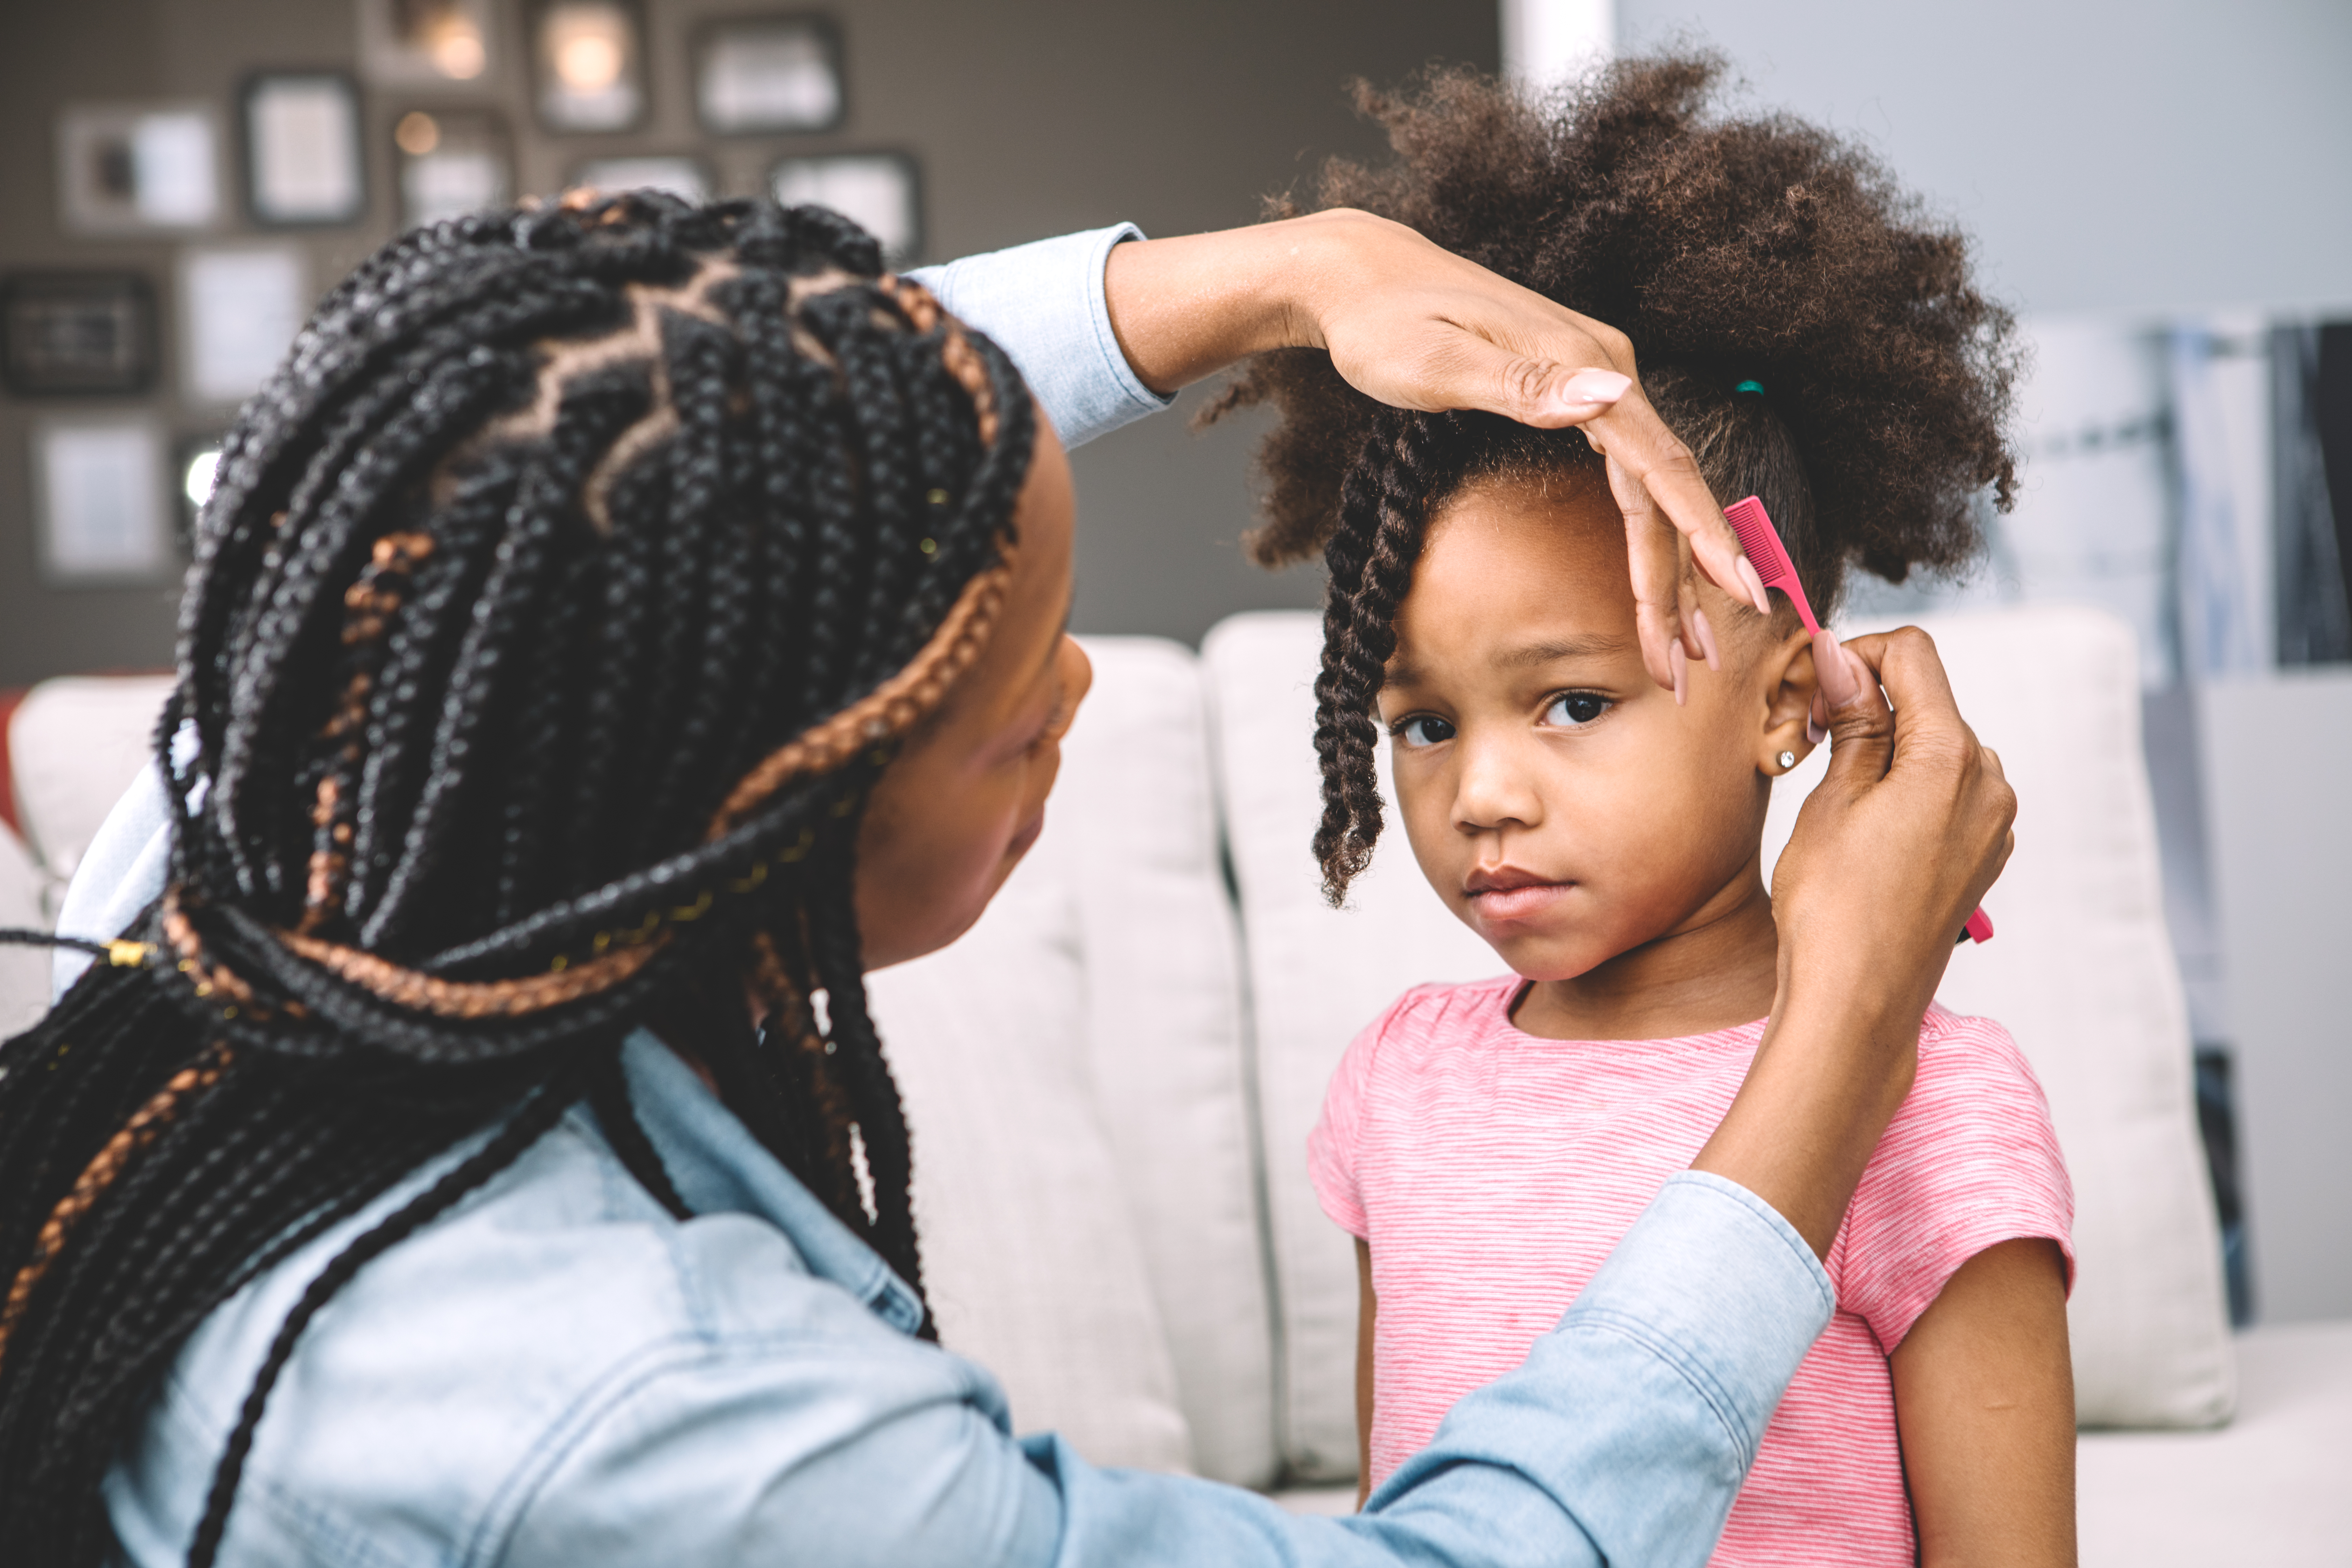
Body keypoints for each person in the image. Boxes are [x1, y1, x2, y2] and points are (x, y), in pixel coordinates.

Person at [0, 187, 2011, 1568]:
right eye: (1013, 707)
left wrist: (1288, 271)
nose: (1076, 685)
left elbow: (704, 451)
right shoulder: (641, 1406)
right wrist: (1845, 1014)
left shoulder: (264, 855)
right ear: (778, 809)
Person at [1210, 57, 2073, 1566]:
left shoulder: (1936, 1102)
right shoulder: (1398, 1086)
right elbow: (1402, 1527)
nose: (1478, 794)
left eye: (1574, 704)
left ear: (1787, 701)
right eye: (1420, 722)